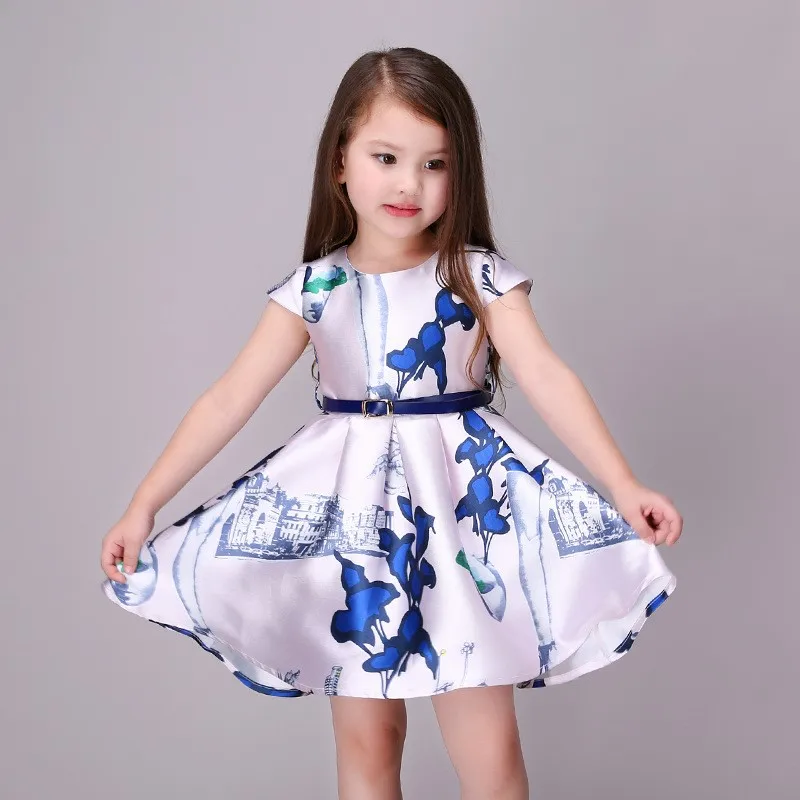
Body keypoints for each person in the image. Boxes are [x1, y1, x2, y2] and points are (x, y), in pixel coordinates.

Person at [100, 46, 682, 800]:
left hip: (463, 520)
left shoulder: (477, 276)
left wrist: (623, 484)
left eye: (435, 165)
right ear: (339, 161)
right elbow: (227, 399)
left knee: (489, 748)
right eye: (387, 158)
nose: (410, 184)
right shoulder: (315, 288)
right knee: (367, 744)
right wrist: (144, 504)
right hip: (355, 531)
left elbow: (546, 375)